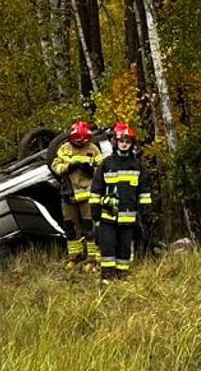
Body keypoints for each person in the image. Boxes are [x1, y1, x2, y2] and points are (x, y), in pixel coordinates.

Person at [91, 122, 147, 282]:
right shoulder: (106, 163)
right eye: (122, 141)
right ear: (115, 142)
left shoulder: (137, 165)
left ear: (132, 144)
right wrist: (95, 209)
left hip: (128, 215)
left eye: (128, 142)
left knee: (124, 248)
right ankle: (107, 277)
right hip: (108, 214)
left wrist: (146, 210)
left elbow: (144, 191)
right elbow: (96, 188)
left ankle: (122, 276)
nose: (124, 144)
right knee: (107, 245)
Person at [49, 120, 102, 271]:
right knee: (70, 227)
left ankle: (91, 259)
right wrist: (68, 167)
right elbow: (55, 166)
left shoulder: (93, 149)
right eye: (79, 140)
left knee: (89, 227)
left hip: (87, 194)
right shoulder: (64, 149)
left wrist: (92, 171)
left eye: (84, 140)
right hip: (69, 194)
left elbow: (101, 167)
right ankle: (75, 256)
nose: (82, 143)